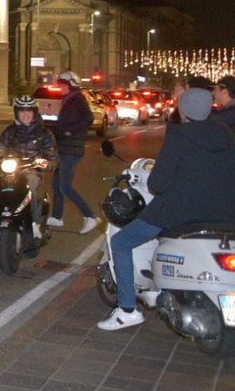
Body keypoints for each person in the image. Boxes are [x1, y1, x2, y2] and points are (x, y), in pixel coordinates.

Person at [97, 88, 235, 329]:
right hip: (223, 212)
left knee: (122, 242)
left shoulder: (180, 136)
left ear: (183, 109)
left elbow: (158, 183)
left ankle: (127, 309)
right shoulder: (226, 134)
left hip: (179, 211)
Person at [0, 95, 58, 260]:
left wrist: (45, 162)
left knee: (31, 185)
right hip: (10, 172)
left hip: (32, 171)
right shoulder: (10, 131)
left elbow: (53, 158)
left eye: (29, 111)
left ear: (34, 112)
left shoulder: (44, 133)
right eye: (22, 111)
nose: (25, 114)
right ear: (16, 113)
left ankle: (35, 224)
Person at [46, 71, 99, 234]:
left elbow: (88, 118)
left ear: (71, 84)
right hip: (64, 147)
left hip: (71, 149)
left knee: (64, 186)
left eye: (62, 83)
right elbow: (64, 124)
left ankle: (90, 216)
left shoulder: (77, 98)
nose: (59, 86)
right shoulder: (68, 100)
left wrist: (71, 131)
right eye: (59, 83)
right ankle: (57, 217)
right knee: (56, 183)